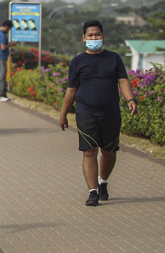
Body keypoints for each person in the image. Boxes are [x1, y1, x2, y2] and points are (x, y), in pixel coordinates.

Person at [59, 20, 138, 206]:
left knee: (109, 152)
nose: (94, 38)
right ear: (84, 38)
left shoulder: (114, 58)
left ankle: (103, 182)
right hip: (86, 112)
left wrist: (130, 99)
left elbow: (123, 81)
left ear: (103, 36)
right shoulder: (78, 61)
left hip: (110, 113)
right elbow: (71, 90)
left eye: (97, 35)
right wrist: (63, 114)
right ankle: (92, 192)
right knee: (89, 152)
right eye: (90, 35)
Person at [0, 20, 17, 101]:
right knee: (1, 77)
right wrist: (11, 44)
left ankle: (3, 95)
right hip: (0, 57)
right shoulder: (2, 35)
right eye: (9, 29)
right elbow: (3, 47)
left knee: (2, 76)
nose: (9, 31)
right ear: (6, 27)